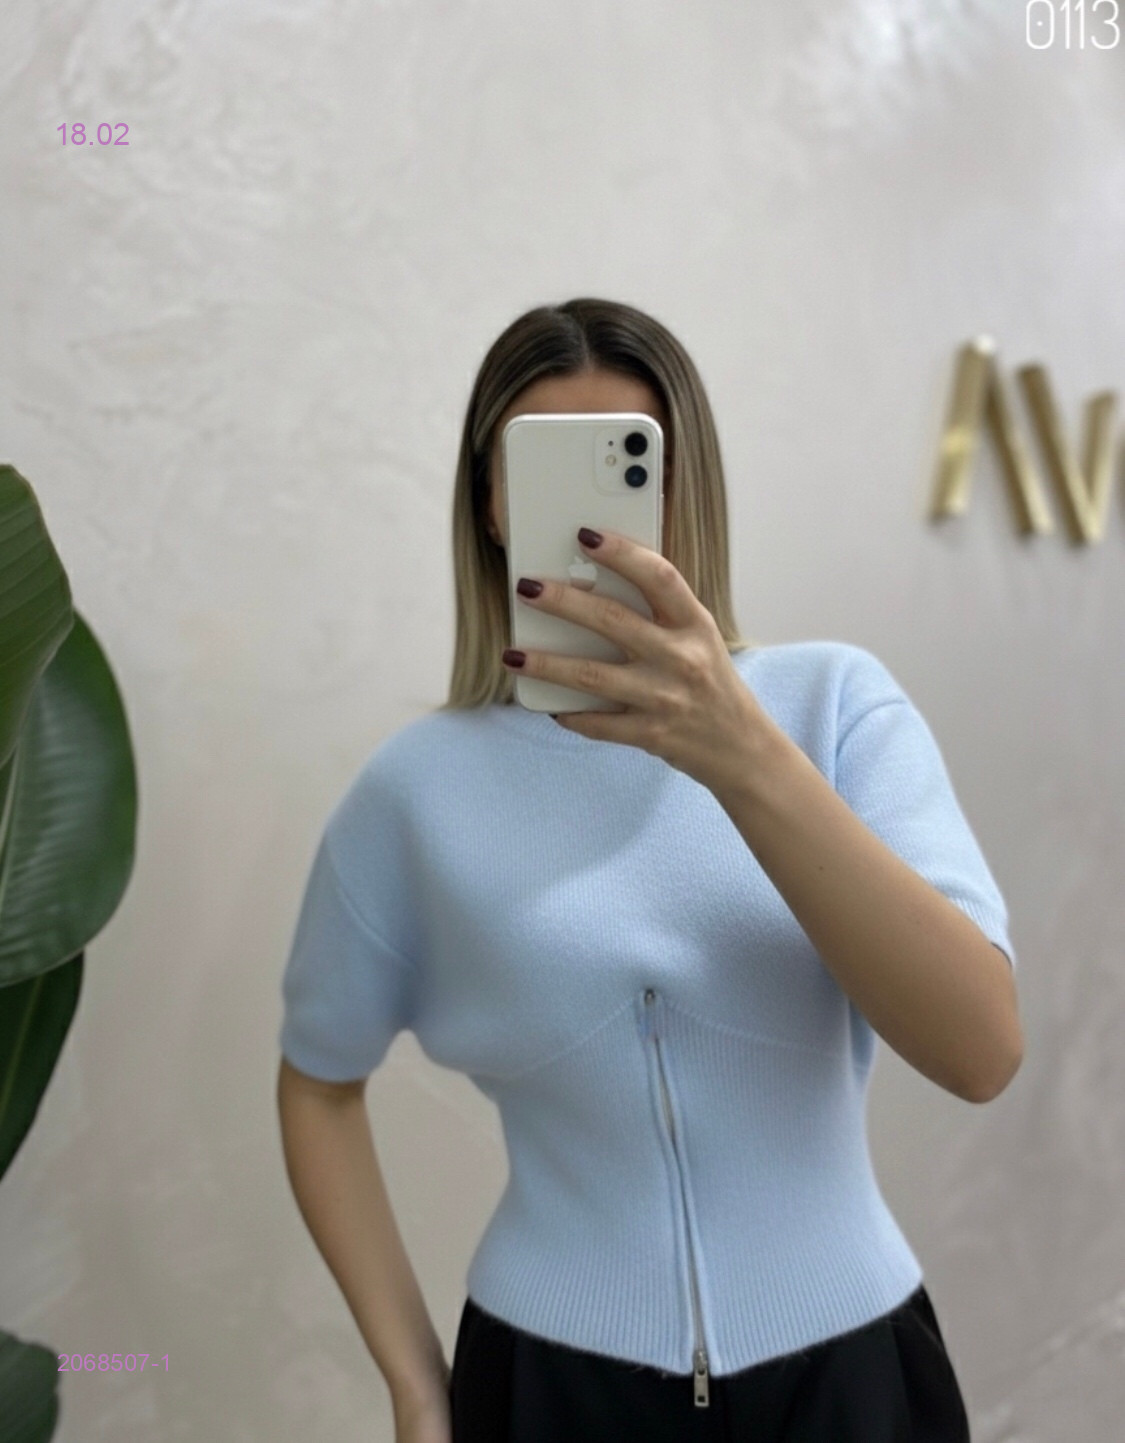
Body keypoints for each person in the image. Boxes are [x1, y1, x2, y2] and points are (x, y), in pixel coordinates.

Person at [276, 297, 1023, 1443]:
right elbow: (318, 1082)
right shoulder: (414, 792)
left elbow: (981, 1051)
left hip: (850, 1381)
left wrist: (741, 754)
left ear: (688, 489)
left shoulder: (834, 709)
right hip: (545, 1386)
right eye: (540, 467)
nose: (594, 526)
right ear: (489, 503)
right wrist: (417, 1387)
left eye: (633, 468)